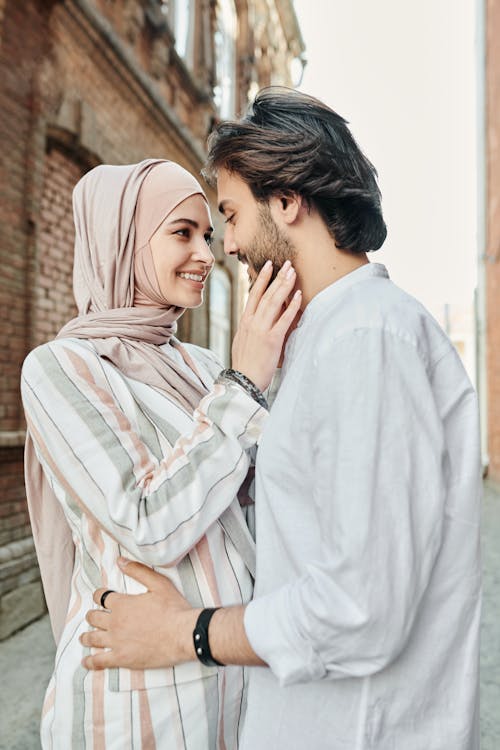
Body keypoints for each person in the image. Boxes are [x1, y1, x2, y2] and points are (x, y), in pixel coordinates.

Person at [82, 89, 482, 750]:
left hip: (361, 730)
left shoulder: (369, 339)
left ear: (289, 202)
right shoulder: (330, 338)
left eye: (232, 215)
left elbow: (361, 608)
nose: (229, 245)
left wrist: (185, 632)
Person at [21, 157, 300, 749]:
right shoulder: (61, 368)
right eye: (182, 233)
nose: (207, 252)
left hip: (234, 692)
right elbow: (146, 523)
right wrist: (245, 387)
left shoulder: (202, 370)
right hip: (132, 710)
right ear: (123, 239)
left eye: (208, 232)